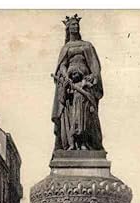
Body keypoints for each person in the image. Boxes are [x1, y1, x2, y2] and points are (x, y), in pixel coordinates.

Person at [52, 14, 104, 151]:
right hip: (70, 86)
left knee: (85, 114)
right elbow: (62, 65)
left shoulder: (87, 45)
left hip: (84, 85)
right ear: (68, 29)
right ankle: (71, 143)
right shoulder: (66, 48)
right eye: (72, 25)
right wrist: (65, 75)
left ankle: (85, 143)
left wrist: (92, 79)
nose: (75, 27)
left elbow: (95, 67)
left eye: (76, 24)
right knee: (71, 115)